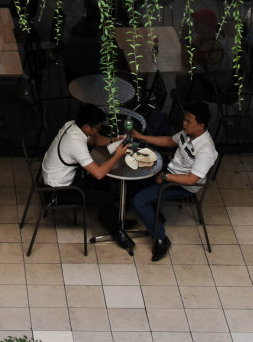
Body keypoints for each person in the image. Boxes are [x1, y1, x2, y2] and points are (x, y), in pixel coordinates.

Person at [127, 101, 217, 261]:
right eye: (184, 119)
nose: (184, 123)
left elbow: (191, 179)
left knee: (139, 201)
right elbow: (170, 141)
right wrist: (141, 137)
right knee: (132, 174)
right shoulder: (187, 133)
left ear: (201, 126)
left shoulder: (206, 150)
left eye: (189, 121)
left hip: (182, 185)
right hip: (170, 169)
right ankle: (154, 215)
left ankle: (161, 239)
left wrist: (165, 177)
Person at [40, 104, 135, 252]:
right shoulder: (76, 143)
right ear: (86, 127)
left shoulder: (71, 125)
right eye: (97, 128)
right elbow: (98, 173)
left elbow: (93, 141)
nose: (98, 130)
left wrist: (115, 139)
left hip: (52, 177)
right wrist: (117, 155)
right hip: (57, 191)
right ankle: (117, 232)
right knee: (106, 195)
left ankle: (110, 217)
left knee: (103, 181)